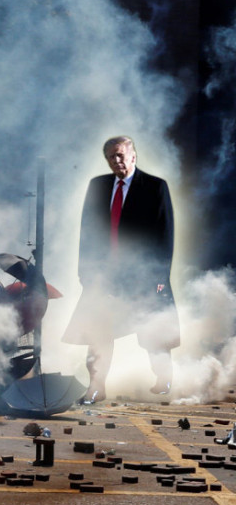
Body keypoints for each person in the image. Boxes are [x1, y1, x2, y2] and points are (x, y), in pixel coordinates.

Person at [63, 135, 177, 403]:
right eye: (110, 157)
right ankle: (96, 387)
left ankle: (164, 379)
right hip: (104, 274)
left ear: (133, 156)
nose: (116, 160)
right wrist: (84, 271)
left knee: (153, 330)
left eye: (120, 155)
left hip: (144, 272)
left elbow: (165, 233)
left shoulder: (155, 186)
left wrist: (160, 275)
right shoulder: (98, 185)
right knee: (98, 331)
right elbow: (87, 230)